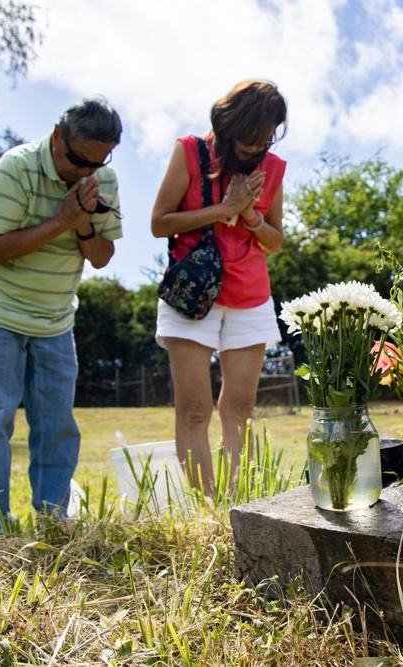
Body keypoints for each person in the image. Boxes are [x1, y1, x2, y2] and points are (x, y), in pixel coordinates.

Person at [0, 96, 123, 537]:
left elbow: (102, 257)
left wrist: (85, 223)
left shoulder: (101, 179)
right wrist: (63, 219)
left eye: (97, 162)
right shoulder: (16, 167)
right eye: (77, 160)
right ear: (57, 138)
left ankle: (54, 521)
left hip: (55, 320)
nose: (85, 172)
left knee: (56, 425)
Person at [151, 80, 287, 493]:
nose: (258, 148)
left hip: (250, 298)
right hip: (193, 296)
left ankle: (236, 507)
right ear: (228, 125)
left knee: (241, 407)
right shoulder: (190, 151)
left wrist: (248, 216)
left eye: (266, 140)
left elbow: (275, 241)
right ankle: (206, 509)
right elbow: (159, 222)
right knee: (195, 408)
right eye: (250, 140)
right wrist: (222, 209)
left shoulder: (273, 167)